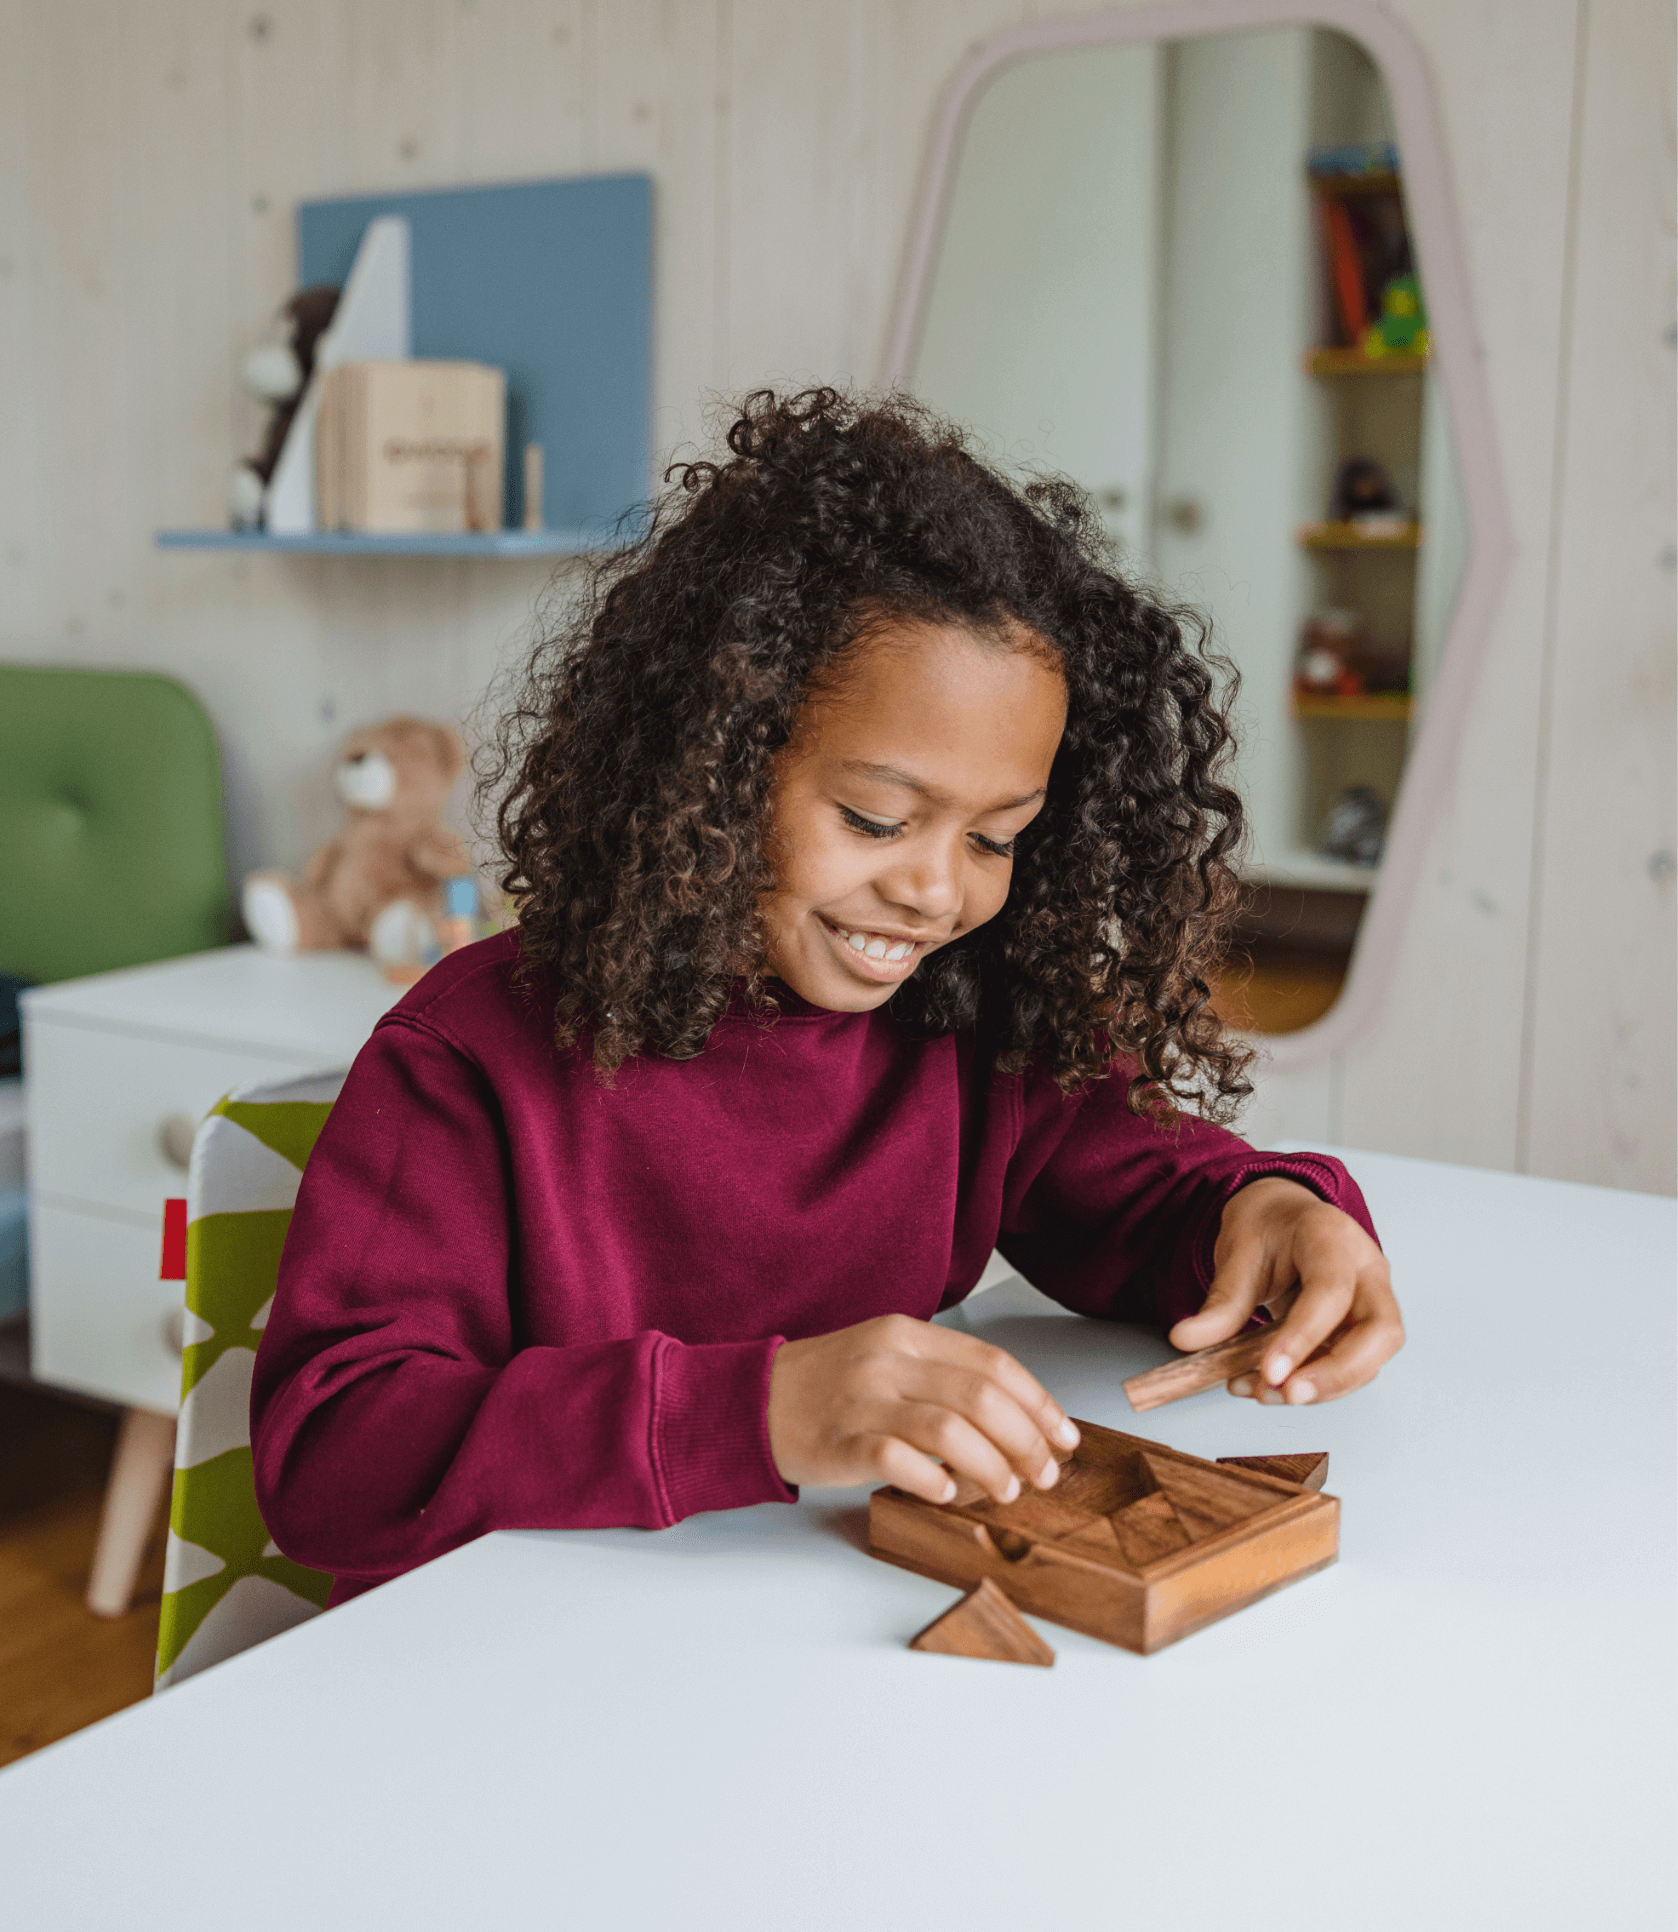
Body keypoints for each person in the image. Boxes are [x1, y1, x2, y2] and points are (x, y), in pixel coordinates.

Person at [252, 390, 1403, 1601]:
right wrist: (757, 1411)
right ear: (712, 762)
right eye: (875, 819)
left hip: (816, 1641)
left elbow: (1144, 1200)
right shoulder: (469, 1055)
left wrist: (1270, 1214)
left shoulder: (972, 1020)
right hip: (519, 1656)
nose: (934, 891)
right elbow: (333, 1457)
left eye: (996, 838)